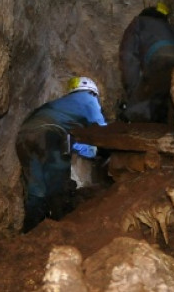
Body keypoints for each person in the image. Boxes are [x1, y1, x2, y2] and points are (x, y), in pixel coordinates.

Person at [15, 76, 106, 233]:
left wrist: (92, 151)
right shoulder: (88, 98)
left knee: (37, 189)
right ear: (93, 91)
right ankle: (62, 229)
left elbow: (71, 145)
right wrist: (107, 150)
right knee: (59, 185)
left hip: (24, 137)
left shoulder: (60, 108)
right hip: (48, 134)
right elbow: (103, 130)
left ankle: (29, 233)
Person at [119, 2, 174, 124]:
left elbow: (128, 57)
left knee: (145, 107)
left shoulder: (139, 22)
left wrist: (132, 90)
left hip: (164, 61)